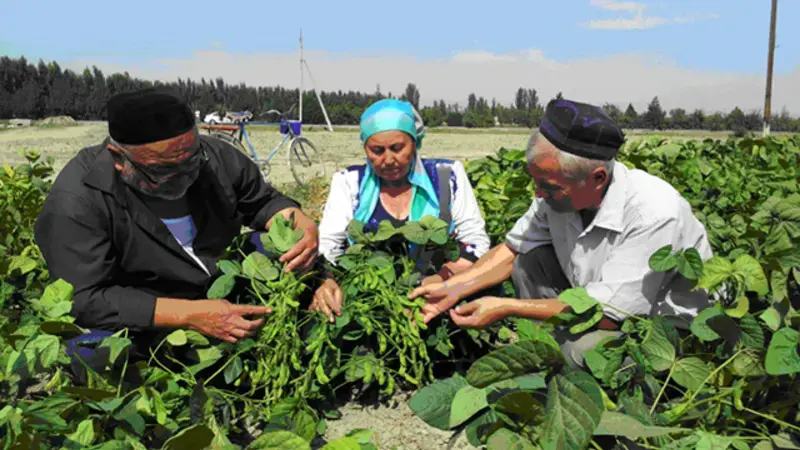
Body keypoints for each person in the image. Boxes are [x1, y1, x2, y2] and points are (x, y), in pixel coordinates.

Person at [408, 98, 714, 368]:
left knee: (579, 352)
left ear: (597, 178)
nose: (538, 195)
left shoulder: (655, 212)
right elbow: (511, 250)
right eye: (536, 182)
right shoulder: (558, 194)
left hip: (660, 331)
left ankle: (575, 372)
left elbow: (610, 314)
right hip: (594, 299)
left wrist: (507, 307)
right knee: (526, 261)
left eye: (550, 187)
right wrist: (456, 287)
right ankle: (550, 354)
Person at [34, 88, 320, 360]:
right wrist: (188, 315)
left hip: (219, 281)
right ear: (118, 158)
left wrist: (302, 224)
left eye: (192, 161)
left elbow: (264, 203)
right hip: (149, 309)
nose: (185, 177)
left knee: (278, 246)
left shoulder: (215, 157)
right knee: (91, 352)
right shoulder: (77, 201)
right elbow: (87, 298)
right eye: (165, 171)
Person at [312, 99, 491, 322]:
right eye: (377, 150)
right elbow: (329, 244)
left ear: (415, 143)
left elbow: (476, 241)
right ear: (365, 148)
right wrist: (326, 279)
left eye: (397, 148)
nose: (388, 160)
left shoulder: (447, 176)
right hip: (371, 296)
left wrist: (444, 278)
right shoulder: (349, 182)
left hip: (441, 293)